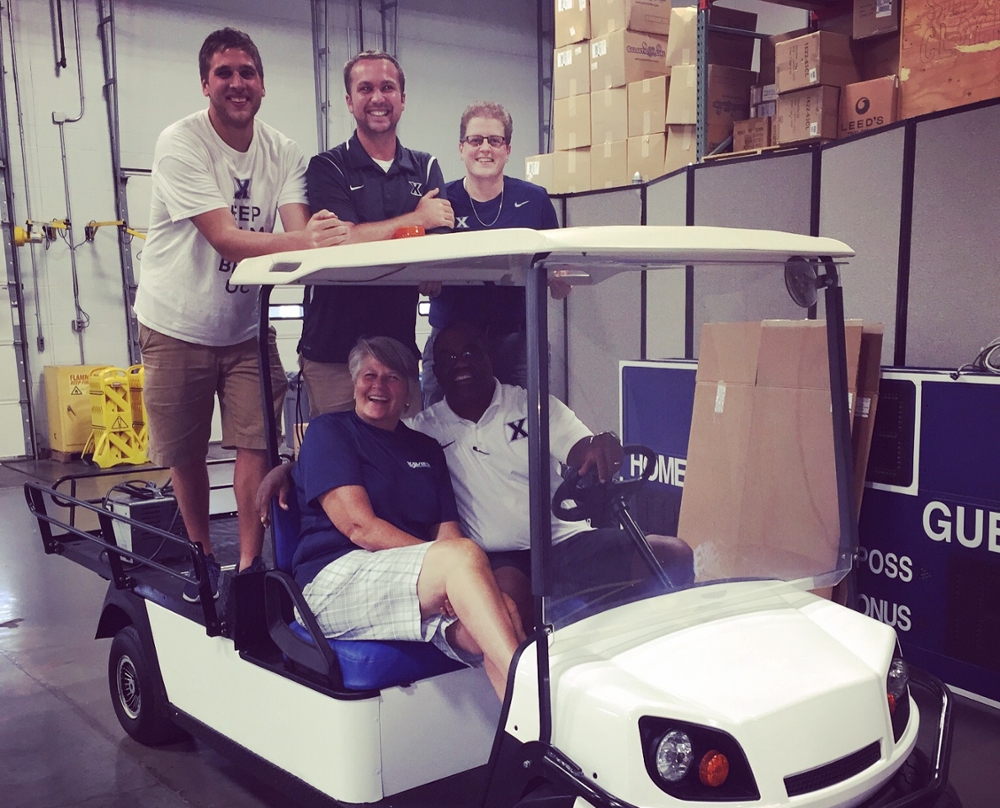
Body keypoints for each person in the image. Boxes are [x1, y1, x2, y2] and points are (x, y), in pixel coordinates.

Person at [134, 27, 350, 599]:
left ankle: (249, 568)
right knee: (185, 453)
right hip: (175, 322)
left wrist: (316, 238)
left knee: (256, 442)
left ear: (262, 84)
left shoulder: (281, 150)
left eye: (247, 73)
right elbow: (228, 239)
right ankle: (204, 555)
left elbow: (300, 229)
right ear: (205, 82)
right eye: (224, 73)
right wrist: (308, 241)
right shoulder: (180, 144)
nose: (237, 83)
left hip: (245, 328)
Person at [411, 322, 695, 626]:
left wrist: (600, 446)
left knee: (674, 554)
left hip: (565, 543)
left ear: (489, 357)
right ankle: (539, 671)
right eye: (449, 358)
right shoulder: (423, 429)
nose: (461, 362)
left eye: (470, 352)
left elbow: (581, 448)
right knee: (508, 601)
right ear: (436, 371)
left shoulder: (531, 405)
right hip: (497, 557)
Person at [292, 337, 524, 699]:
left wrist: (449, 573)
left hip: (408, 583)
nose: (378, 387)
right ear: (355, 383)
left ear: (408, 393)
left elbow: (448, 533)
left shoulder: (425, 448)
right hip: (334, 580)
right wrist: (446, 572)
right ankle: (535, 693)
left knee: (503, 611)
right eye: (369, 375)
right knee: (465, 563)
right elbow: (359, 527)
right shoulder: (330, 432)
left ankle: (523, 743)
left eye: (392, 378)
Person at [298, 51, 455, 416]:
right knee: (338, 462)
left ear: (402, 98)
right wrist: (416, 219)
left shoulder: (425, 166)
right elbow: (343, 240)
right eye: (365, 88)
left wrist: (424, 256)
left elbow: (437, 250)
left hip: (398, 350)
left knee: (401, 461)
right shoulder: (328, 167)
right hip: (333, 354)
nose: (378, 98)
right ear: (350, 101)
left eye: (388, 87)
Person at [421, 101, 568, 406]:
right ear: (461, 148)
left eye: (495, 140)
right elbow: (422, 266)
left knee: (529, 424)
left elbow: (556, 273)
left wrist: (559, 279)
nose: (485, 148)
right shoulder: (438, 201)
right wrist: (426, 278)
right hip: (451, 341)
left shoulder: (534, 200)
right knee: (439, 427)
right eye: (476, 140)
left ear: (508, 149)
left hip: (517, 340)